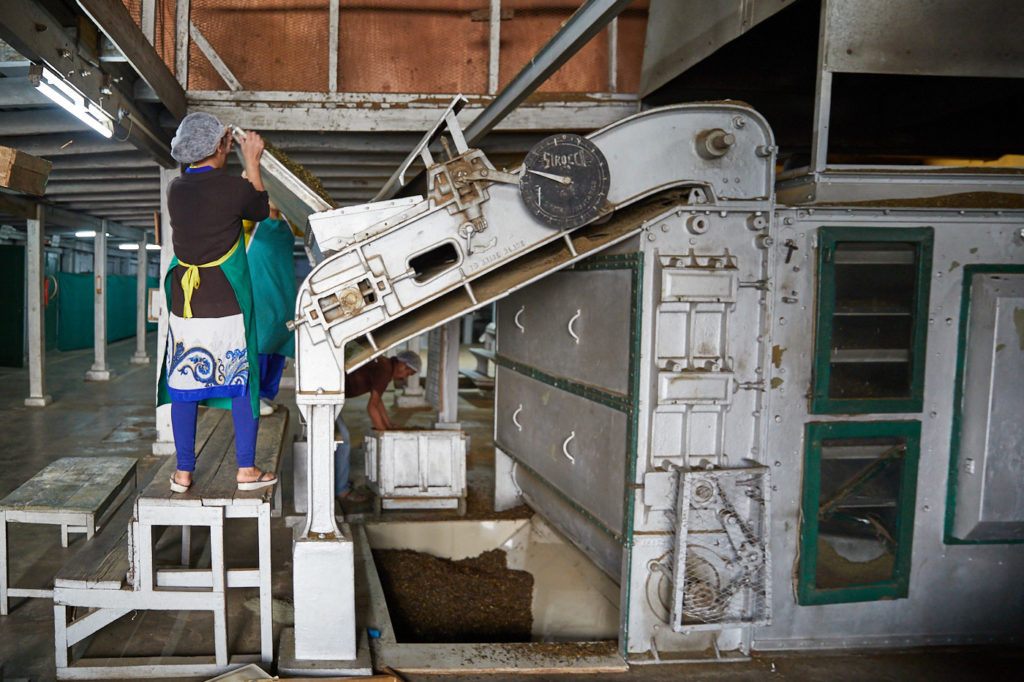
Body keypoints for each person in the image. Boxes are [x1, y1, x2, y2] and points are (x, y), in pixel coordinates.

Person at [158, 111, 278, 493]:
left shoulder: (176, 190)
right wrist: (252, 161)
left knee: (184, 384)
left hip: (187, 305)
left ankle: (183, 472)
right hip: (226, 304)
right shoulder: (233, 189)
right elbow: (261, 209)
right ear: (221, 146)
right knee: (242, 383)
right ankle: (246, 470)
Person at [335, 350, 421, 502]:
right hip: (326, 392)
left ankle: (338, 484)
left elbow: (377, 401)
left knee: (341, 439)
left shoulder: (385, 365)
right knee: (343, 441)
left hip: (330, 390)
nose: (405, 377)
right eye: (408, 372)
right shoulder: (384, 371)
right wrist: (384, 435)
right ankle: (341, 490)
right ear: (402, 364)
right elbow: (371, 407)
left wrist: (388, 425)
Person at [244, 201, 297, 416]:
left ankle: (266, 394)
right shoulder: (250, 223)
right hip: (260, 294)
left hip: (284, 294)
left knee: (281, 343)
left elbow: (316, 223)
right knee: (261, 343)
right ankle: (252, 397)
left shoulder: (290, 223)